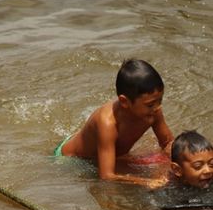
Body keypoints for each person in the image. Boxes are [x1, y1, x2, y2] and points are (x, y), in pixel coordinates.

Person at [54, 59, 174, 187]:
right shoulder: (107, 123)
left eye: (160, 100)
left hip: (109, 155)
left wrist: (182, 161)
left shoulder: (153, 112)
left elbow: (167, 143)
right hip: (72, 160)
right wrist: (147, 182)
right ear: (124, 102)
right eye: (150, 104)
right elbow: (106, 176)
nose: (157, 107)